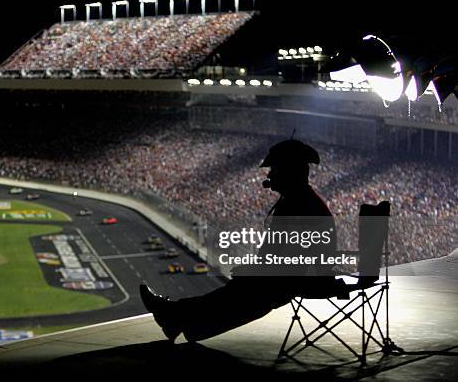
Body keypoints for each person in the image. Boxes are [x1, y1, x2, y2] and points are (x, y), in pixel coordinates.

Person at [140, 139, 342, 342]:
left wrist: (256, 270)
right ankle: (180, 321)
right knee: (245, 293)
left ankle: (176, 317)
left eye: (274, 169)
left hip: (303, 277)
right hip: (304, 274)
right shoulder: (301, 200)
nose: (270, 175)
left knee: (245, 293)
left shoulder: (296, 204)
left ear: (289, 172)